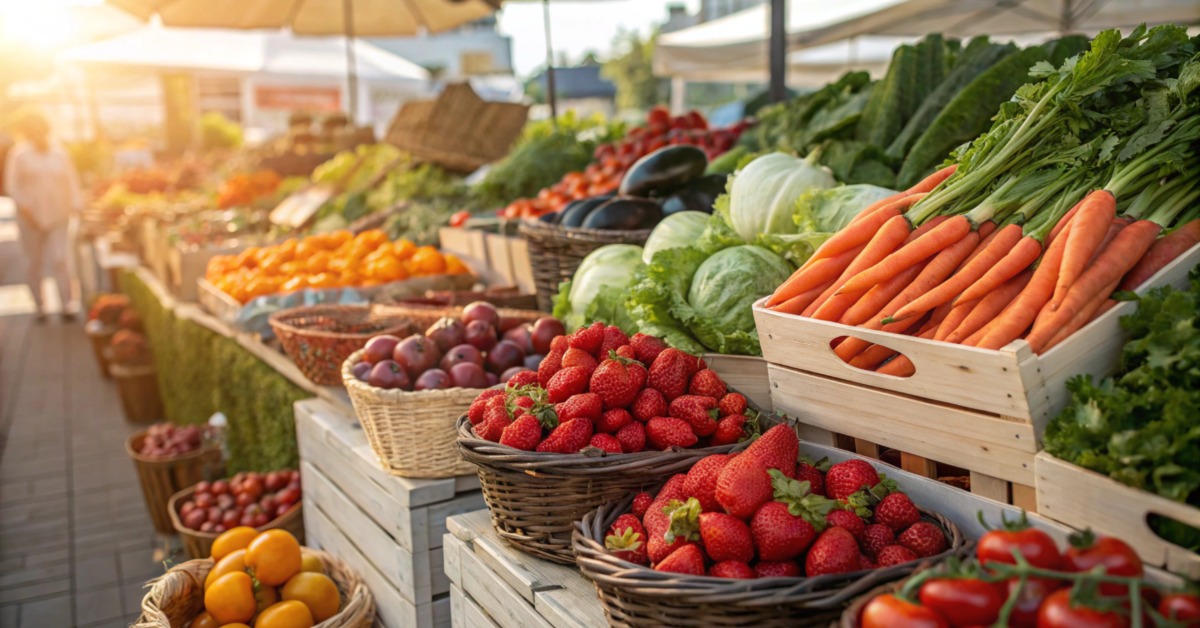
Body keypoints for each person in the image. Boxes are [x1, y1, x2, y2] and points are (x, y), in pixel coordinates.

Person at [3, 110, 82, 322]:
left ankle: (67, 304)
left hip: (58, 214)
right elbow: (12, 186)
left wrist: (76, 205)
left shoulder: (59, 152)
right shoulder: (19, 154)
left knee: (60, 258)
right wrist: (26, 209)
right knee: (33, 262)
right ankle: (40, 305)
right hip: (29, 218)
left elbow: (71, 181)